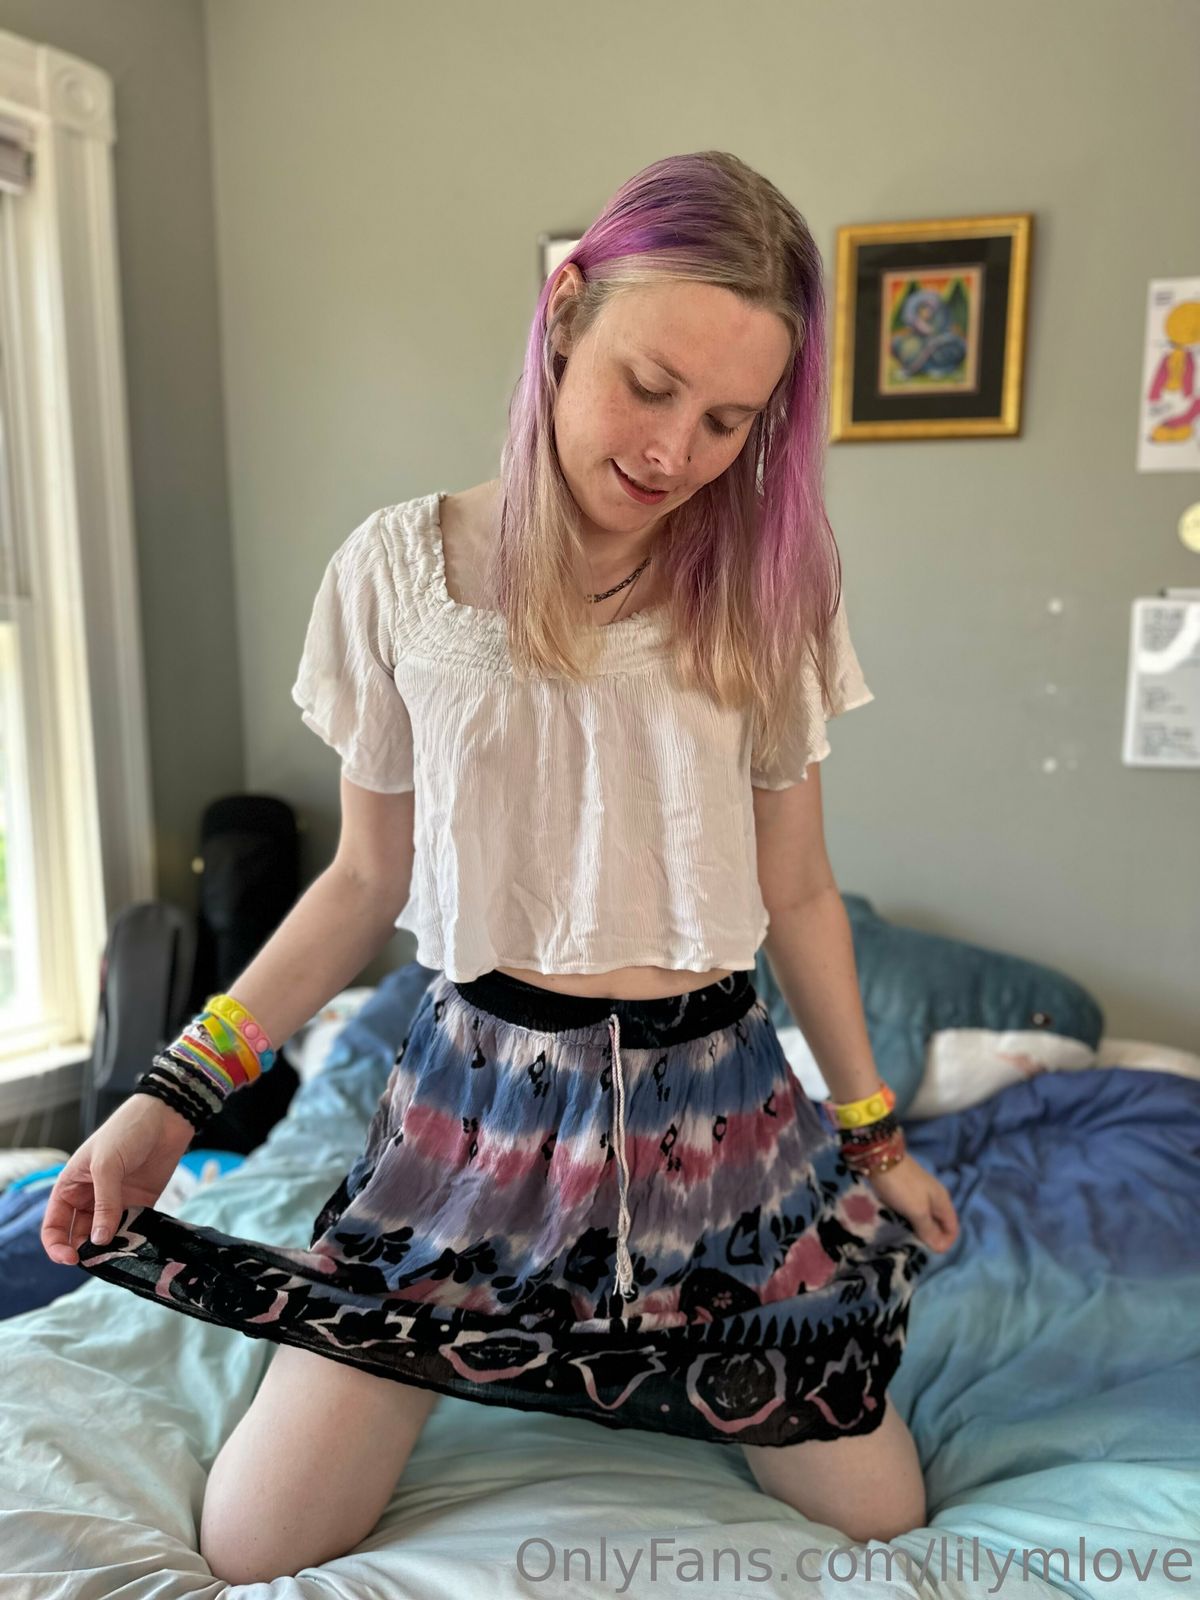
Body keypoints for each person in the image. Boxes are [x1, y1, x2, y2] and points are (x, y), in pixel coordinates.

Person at [40, 150, 959, 1585]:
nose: (676, 450)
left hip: (716, 1119)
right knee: (258, 1542)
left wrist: (877, 1142)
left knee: (881, 1521)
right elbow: (362, 882)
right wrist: (173, 1097)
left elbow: (797, 894)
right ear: (566, 312)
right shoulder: (397, 572)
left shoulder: (772, 586)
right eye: (651, 385)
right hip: (472, 1115)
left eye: (728, 420)